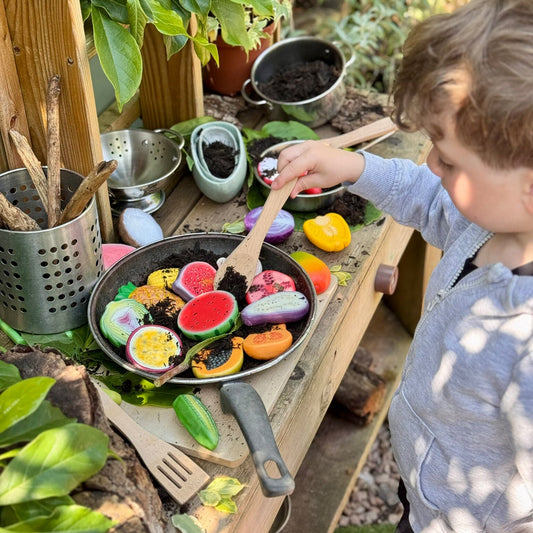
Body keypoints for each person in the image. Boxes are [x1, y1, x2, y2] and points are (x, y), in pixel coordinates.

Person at [272, 0, 533, 531]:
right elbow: (430, 198)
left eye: (449, 159)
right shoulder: (491, 220)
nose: (431, 163)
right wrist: (350, 165)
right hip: (428, 488)